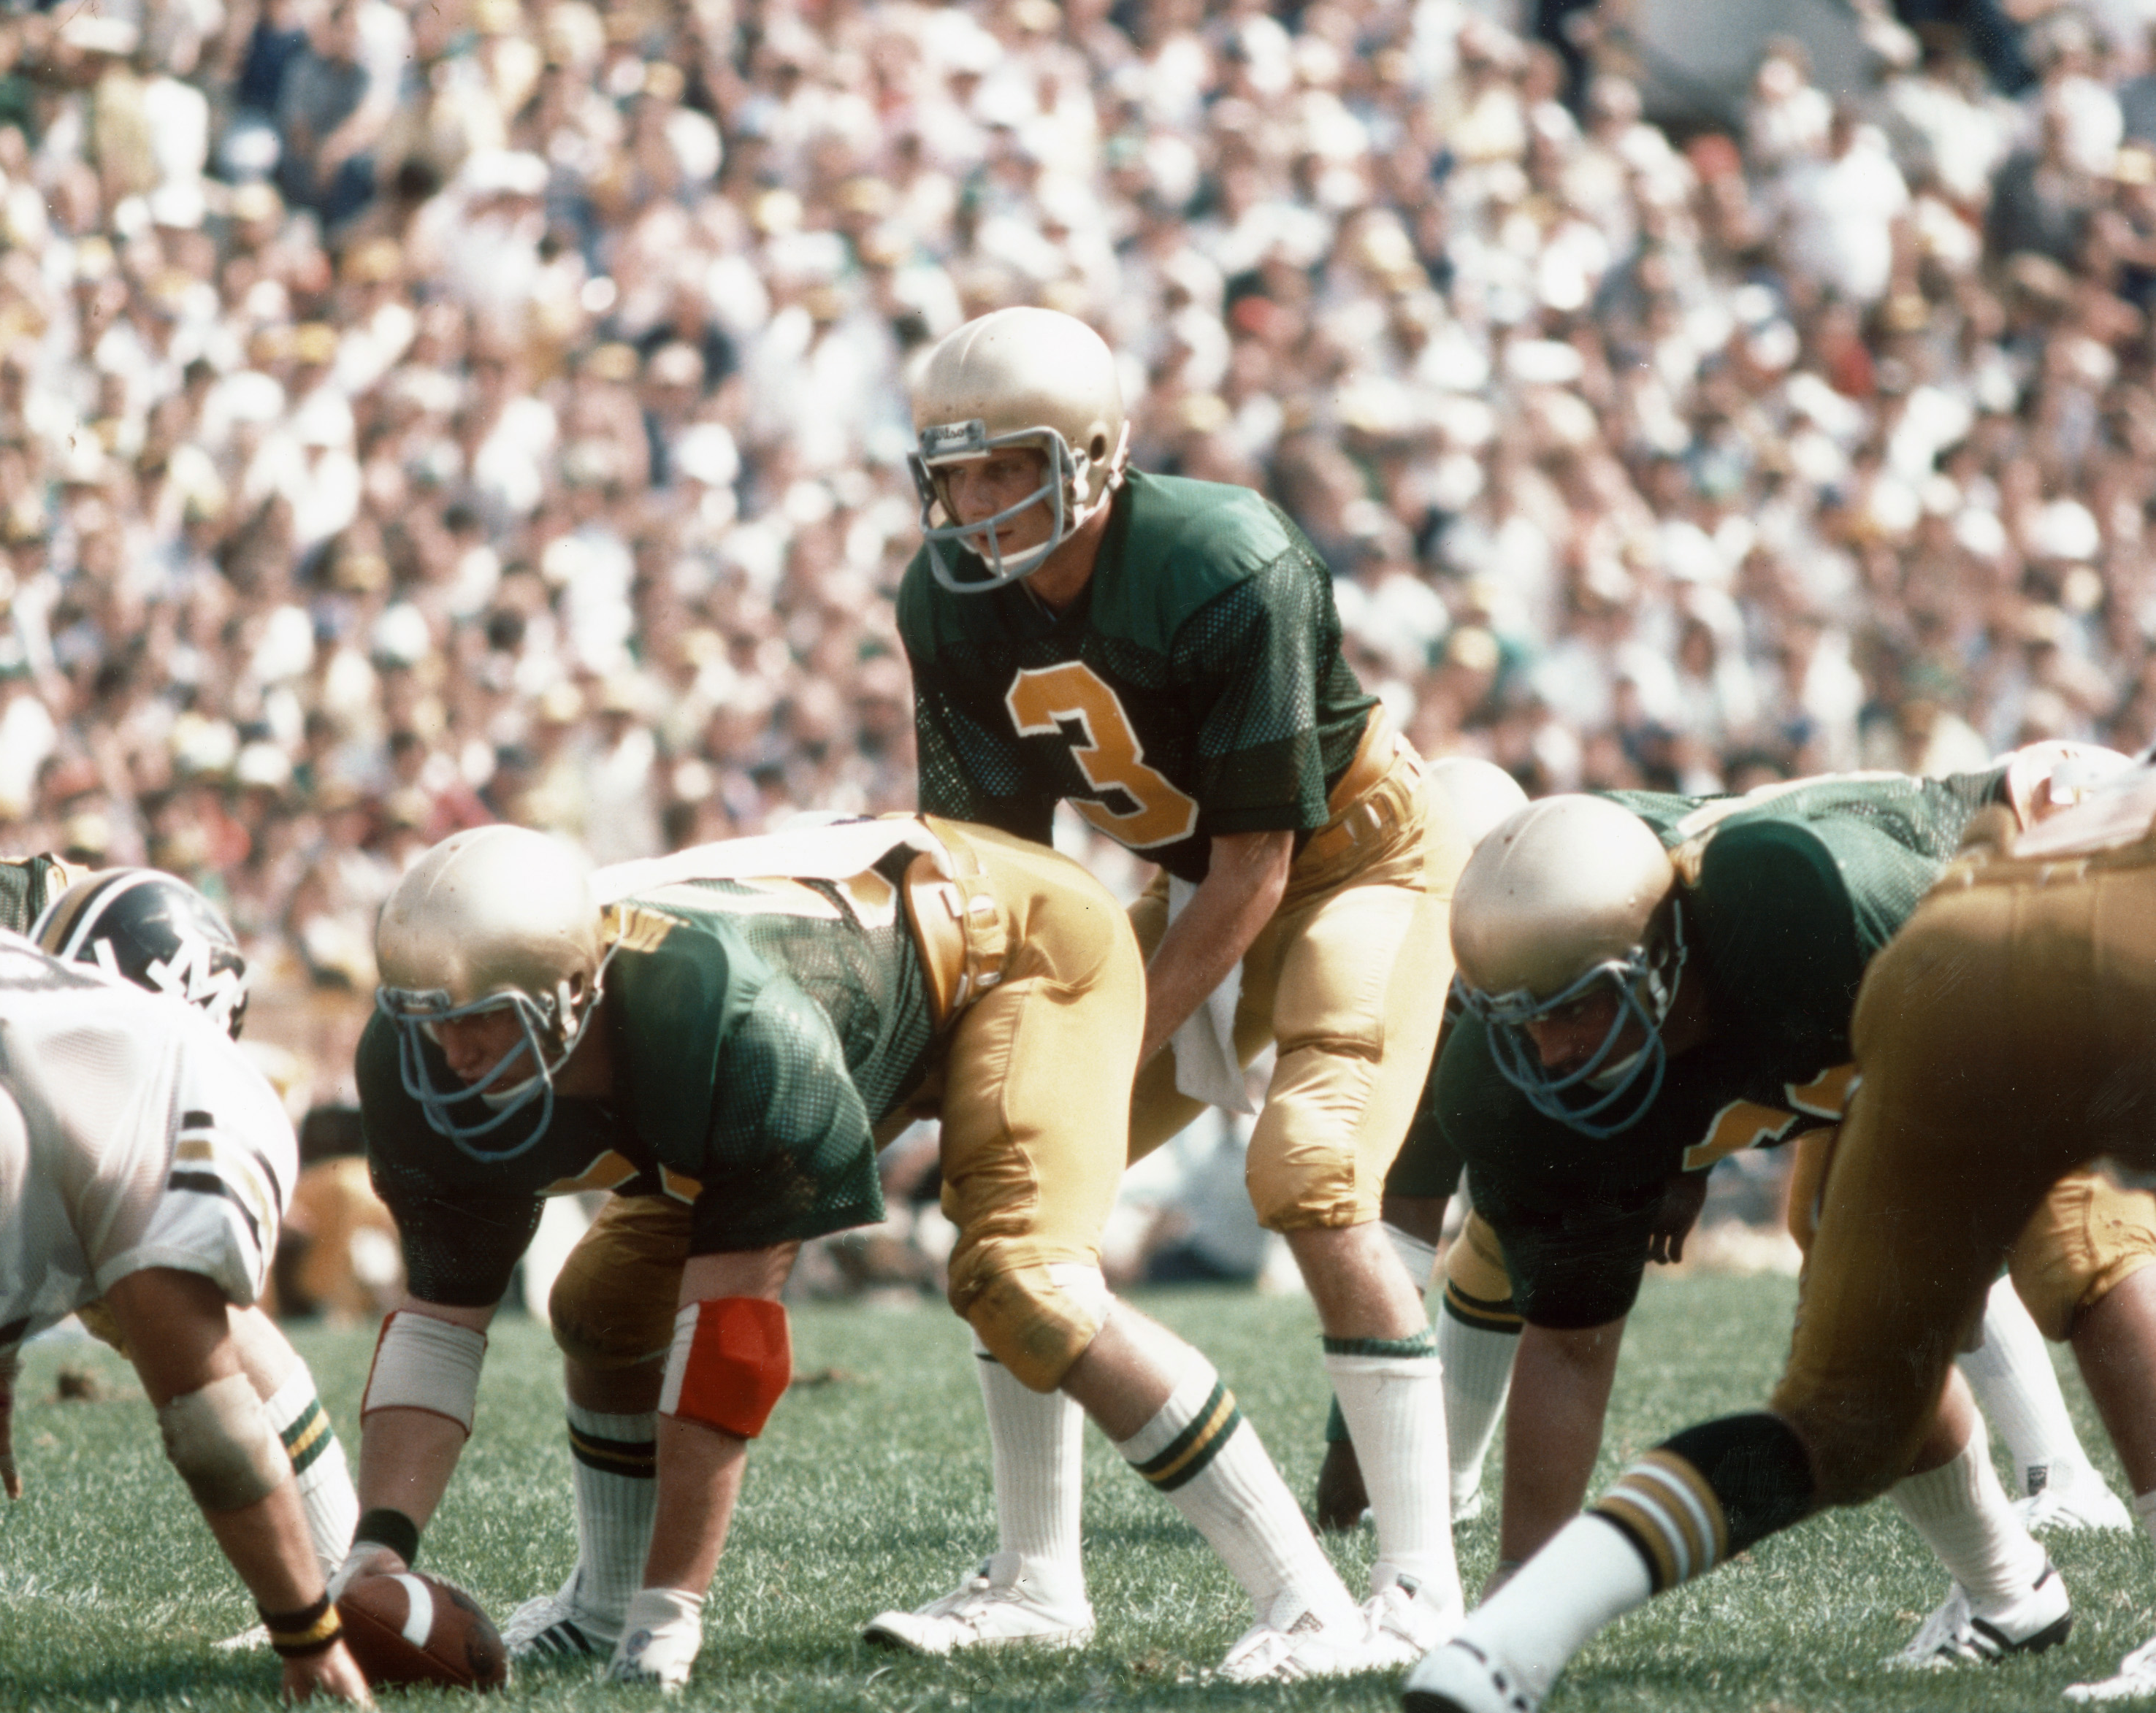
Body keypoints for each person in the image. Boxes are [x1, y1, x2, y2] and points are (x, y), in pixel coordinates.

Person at [340, 816, 1391, 1689]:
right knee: (602, 1309)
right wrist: (377, 1557)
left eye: (483, 1020)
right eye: (428, 1019)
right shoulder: (416, 1056)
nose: (451, 1053)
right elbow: (439, 1321)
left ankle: (1310, 1603)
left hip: (1019, 945)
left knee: (1025, 1282)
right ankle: (599, 1603)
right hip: (850, 996)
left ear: (574, 988)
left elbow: (730, 1345)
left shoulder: (723, 1018)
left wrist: (673, 1617)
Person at [884, 306, 1473, 1668]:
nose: (976, 502)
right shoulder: (947, 602)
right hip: (1199, 875)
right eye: (955, 473)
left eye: (1008, 466)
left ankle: (1417, 1592)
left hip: (1357, 858)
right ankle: (1036, 1578)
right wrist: (967, 1063)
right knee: (1009, 1170)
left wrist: (1092, 1051)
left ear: (1094, 454)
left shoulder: (1221, 559)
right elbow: (998, 875)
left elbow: (1264, 861)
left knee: (1311, 1171)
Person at [1403, 762, 2156, 1713]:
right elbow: (1569, 1340)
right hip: (1876, 1010)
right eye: (1523, 1020)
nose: (1549, 1052)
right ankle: (2010, 1595)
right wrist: (1519, 1596)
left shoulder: (1806, 903)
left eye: (1575, 1006)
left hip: (2040, 895)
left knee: (2074, 1234)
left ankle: (2072, 1485)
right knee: (1855, 1330)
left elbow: (1973, 1005)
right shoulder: (1521, 1073)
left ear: (1659, 961)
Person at [0, 924, 370, 1704]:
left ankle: (340, 1569)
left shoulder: (145, 1125)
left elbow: (213, 1425)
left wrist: (308, 1632)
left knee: (181, 1339)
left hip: (129, 1112)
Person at [1313, 754, 1529, 1533]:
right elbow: (1403, 1233)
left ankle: (1456, 1482)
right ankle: (1449, 1487)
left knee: (1520, 1230)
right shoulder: (1420, 992)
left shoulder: (1564, 944)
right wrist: (1351, 1447)